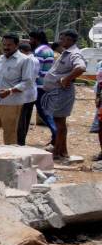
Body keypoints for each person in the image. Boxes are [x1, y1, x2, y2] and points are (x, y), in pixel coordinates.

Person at [0, 33, 36, 145]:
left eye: (9, 45)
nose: (6, 47)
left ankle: (10, 160)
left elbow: (28, 82)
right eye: (4, 44)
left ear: (16, 45)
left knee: (10, 134)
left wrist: (10, 91)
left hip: (12, 104)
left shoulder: (25, 60)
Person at [41, 30, 87, 161]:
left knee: (59, 123)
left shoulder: (74, 53)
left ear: (70, 40)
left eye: (63, 39)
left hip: (61, 93)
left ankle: (57, 152)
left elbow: (81, 68)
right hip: (56, 92)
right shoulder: (66, 52)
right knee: (60, 122)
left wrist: (66, 79)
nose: (60, 41)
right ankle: (63, 151)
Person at [17, 30, 57, 147]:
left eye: (31, 39)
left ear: (35, 39)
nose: (30, 42)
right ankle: (56, 136)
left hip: (37, 86)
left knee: (32, 113)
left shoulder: (39, 51)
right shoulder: (49, 49)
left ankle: (56, 134)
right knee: (44, 112)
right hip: (45, 84)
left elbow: (34, 70)